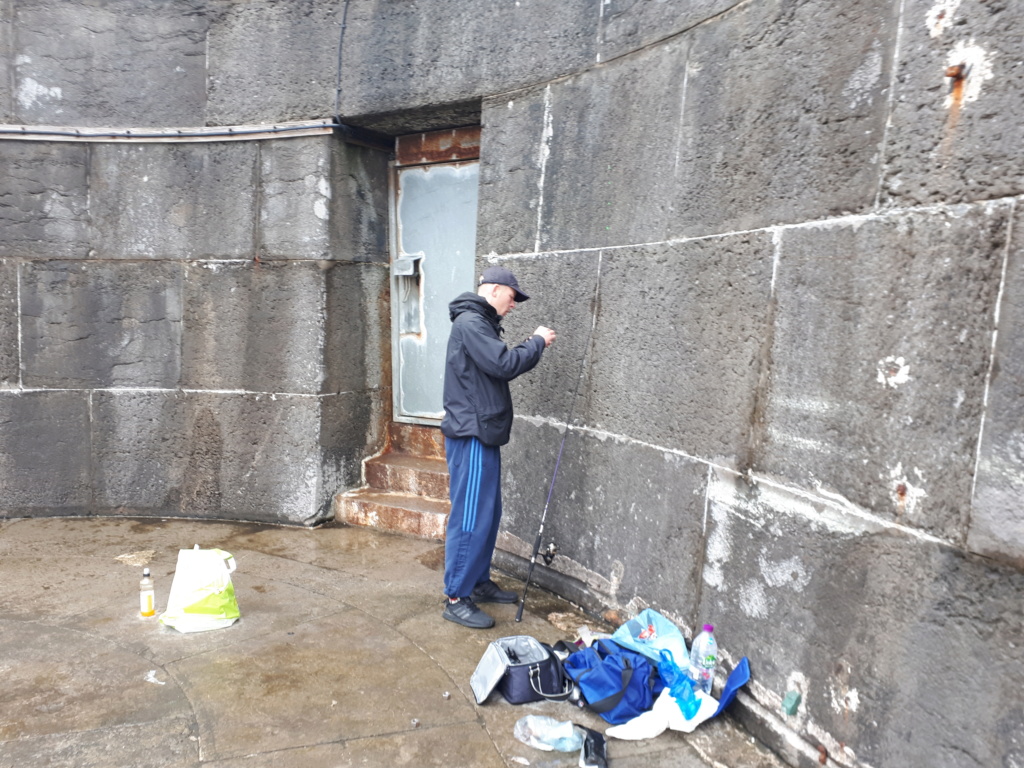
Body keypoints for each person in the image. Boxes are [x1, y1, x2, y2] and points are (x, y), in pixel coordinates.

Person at [440, 265, 556, 629]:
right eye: (512, 296)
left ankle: (477, 581)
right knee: (471, 517)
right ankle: (456, 595)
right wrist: (535, 341)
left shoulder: (479, 323)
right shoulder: (470, 324)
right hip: (472, 435)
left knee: (487, 515)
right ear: (493, 290)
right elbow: (504, 363)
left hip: (482, 434)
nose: (515, 304)